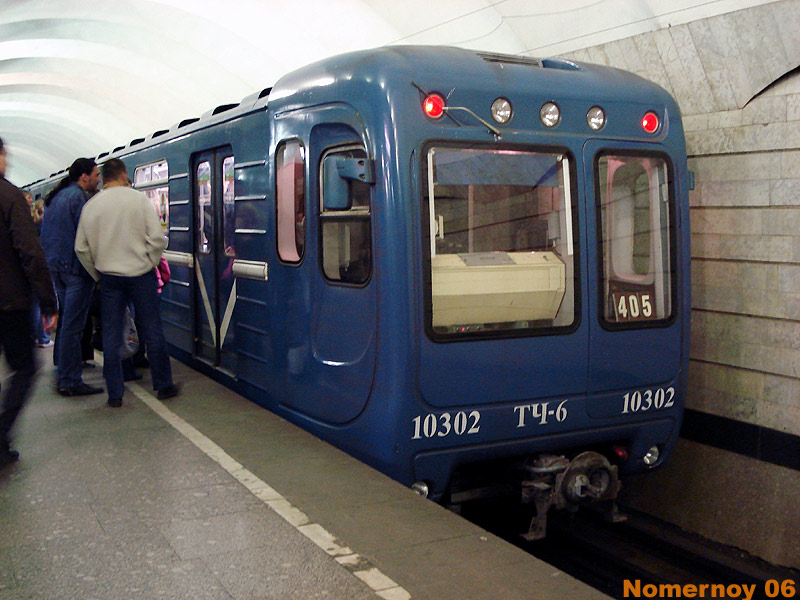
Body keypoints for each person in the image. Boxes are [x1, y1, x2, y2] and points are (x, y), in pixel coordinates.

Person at [75, 158, 179, 407]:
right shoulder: (139, 200)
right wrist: (150, 262)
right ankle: (163, 386)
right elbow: (157, 239)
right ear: (122, 174)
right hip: (141, 275)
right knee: (152, 330)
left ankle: (115, 394)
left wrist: (97, 273)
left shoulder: (91, 205)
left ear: (105, 177)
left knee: (112, 335)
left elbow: (81, 248)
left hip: (109, 278)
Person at [0, 137, 58, 467]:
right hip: (9, 302)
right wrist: (48, 302)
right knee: (25, 367)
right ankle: (1, 436)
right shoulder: (9, 196)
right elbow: (31, 254)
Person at [40, 158, 103, 396]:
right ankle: (69, 380)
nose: (98, 179)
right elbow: (87, 238)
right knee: (73, 327)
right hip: (76, 269)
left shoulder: (57, 197)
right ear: (84, 177)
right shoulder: (78, 199)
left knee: (67, 322)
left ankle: (64, 370)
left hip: (57, 267)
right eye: (96, 175)